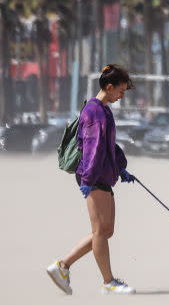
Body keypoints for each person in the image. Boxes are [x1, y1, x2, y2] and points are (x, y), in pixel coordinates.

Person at [46, 64, 137, 295]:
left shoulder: (104, 110)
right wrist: (87, 180)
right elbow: (92, 149)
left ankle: (62, 266)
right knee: (99, 231)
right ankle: (108, 281)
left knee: (106, 231)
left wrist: (121, 167)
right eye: (121, 91)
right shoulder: (94, 111)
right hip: (93, 176)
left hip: (103, 175)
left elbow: (109, 146)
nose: (122, 96)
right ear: (109, 87)